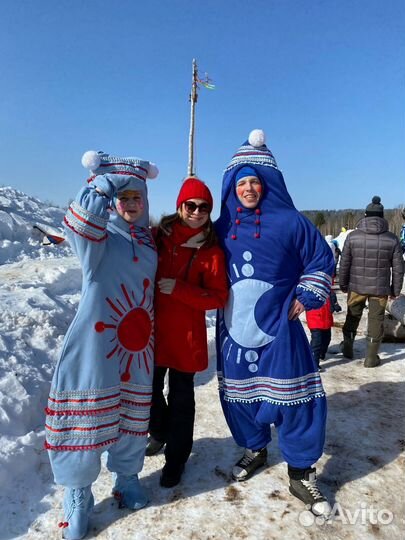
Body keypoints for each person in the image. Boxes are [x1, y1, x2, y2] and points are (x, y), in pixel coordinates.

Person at [215, 129, 335, 517]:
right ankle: (254, 449)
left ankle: (301, 471)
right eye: (242, 182)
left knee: (296, 399)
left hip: (281, 329)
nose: (249, 189)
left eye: (255, 182)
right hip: (234, 330)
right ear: (232, 187)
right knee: (241, 395)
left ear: (268, 184)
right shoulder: (219, 228)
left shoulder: (292, 222)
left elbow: (320, 262)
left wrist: (305, 296)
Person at [45, 150, 159, 540]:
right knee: (85, 421)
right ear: (114, 200)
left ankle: (126, 478)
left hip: (137, 346)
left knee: (132, 415)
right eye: (124, 197)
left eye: (137, 197)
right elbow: (78, 222)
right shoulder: (99, 238)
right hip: (96, 344)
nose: (130, 203)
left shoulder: (148, 242)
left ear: (145, 202)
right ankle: (77, 495)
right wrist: (106, 180)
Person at [146, 177, 228, 488]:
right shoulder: (158, 236)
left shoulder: (211, 251)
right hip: (152, 333)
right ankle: (160, 432)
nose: (196, 212)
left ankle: (176, 460)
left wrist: (180, 289)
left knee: (181, 400)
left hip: (185, 338)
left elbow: (219, 297)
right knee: (148, 393)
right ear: (180, 205)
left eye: (204, 207)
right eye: (190, 205)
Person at [339, 196, 404, 367]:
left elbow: (344, 263)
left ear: (366, 215)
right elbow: (398, 268)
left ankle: (347, 347)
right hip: (380, 289)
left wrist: (343, 284)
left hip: (356, 286)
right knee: (376, 320)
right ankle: (371, 357)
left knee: (352, 316)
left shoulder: (352, 237)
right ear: (382, 216)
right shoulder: (392, 239)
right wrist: (395, 290)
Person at [306, 288, 341, 370]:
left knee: (327, 339)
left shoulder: (327, 287)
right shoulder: (309, 288)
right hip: (314, 319)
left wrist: (335, 304)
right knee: (316, 342)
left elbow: (332, 295)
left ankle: (321, 353)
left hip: (326, 318)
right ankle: (314, 363)